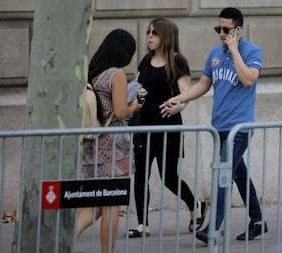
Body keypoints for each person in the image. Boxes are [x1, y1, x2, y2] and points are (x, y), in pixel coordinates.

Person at [161, 7, 268, 244]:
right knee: (238, 174)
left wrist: (234, 50)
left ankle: (213, 229)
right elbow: (203, 85)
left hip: (239, 129)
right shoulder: (214, 54)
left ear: (238, 30)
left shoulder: (252, 51)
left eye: (226, 29)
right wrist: (179, 99)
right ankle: (258, 221)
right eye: (218, 28)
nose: (221, 33)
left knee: (222, 174)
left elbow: (249, 79)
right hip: (219, 127)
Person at [127, 18, 208, 238]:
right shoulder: (145, 60)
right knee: (141, 174)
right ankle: (142, 224)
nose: (150, 36)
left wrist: (177, 107)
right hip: (143, 126)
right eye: (148, 32)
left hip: (168, 127)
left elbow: (186, 93)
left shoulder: (177, 62)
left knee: (169, 177)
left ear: (166, 36)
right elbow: (134, 85)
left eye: (154, 33)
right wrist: (136, 91)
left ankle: (195, 206)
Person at [77, 29, 141, 253]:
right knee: (112, 204)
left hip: (92, 143)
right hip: (115, 146)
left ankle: (60, 240)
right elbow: (122, 112)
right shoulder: (117, 75)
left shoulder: (93, 73)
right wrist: (136, 106)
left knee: (96, 203)